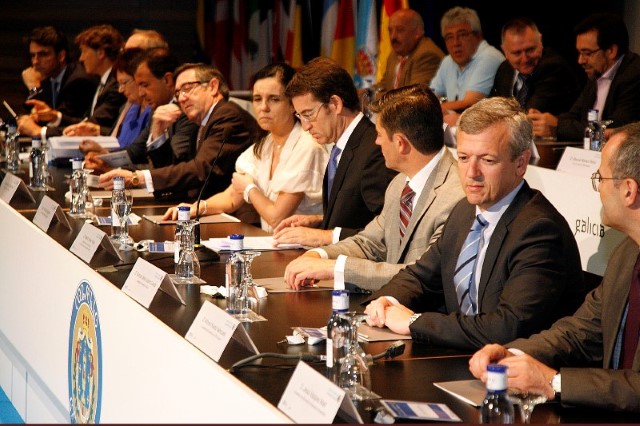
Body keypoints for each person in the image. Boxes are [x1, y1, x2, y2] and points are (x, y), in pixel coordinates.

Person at [363, 97, 585, 351]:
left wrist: (413, 321)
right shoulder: (465, 211)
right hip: (459, 358)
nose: (471, 173)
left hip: (512, 374)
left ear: (521, 163)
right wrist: (387, 301)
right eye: (464, 157)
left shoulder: (540, 231)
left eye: (487, 160)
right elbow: (420, 276)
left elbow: (507, 327)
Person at [469, 122, 640, 412]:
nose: (597, 189)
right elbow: (580, 331)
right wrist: (511, 353)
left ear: (628, 190)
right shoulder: (626, 253)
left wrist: (553, 381)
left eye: (600, 178)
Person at [282, 84, 464, 291]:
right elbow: (370, 242)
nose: (375, 142)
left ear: (400, 143)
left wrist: (336, 268)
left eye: (379, 134)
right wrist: (319, 255)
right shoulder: (399, 184)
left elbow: (422, 274)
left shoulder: (456, 196)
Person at [162, 63, 328, 233]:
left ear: (292, 104)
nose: (263, 108)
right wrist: (195, 208)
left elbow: (277, 217)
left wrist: (249, 188)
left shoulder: (307, 147)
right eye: (257, 99)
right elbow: (232, 198)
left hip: (306, 247)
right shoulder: (264, 145)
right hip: (277, 244)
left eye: (274, 99)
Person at [272, 57, 397, 247]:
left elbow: (389, 232)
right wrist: (319, 221)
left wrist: (324, 236)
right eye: (300, 116)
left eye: (308, 114)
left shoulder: (374, 150)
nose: (305, 126)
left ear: (335, 104)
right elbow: (355, 216)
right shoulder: (342, 145)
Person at [98, 63, 261, 202]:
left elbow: (200, 170)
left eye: (187, 88)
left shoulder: (227, 116)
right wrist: (158, 133)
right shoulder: (201, 120)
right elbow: (177, 170)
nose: (181, 98)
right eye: (177, 93)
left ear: (213, 86)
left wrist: (137, 178)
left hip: (233, 216)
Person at [83, 47, 198, 173]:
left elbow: (175, 166)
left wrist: (117, 170)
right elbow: (135, 151)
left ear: (167, 80)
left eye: (145, 85)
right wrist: (103, 159)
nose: (141, 93)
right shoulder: (157, 109)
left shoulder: (185, 112)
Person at [528, 12, 640, 141]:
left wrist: (557, 126)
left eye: (587, 53)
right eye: (579, 53)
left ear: (611, 51)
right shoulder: (597, 73)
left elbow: (617, 127)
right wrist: (543, 121)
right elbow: (574, 115)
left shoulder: (634, 75)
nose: (580, 60)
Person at [18, 24, 126, 138]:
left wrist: (40, 132)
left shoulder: (115, 85)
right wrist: (55, 117)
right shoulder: (104, 82)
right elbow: (84, 122)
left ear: (100, 53)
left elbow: (90, 126)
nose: (81, 58)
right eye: (33, 55)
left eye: (84, 52)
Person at [429, 7, 504, 127]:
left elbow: (469, 103)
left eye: (462, 35)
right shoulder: (448, 61)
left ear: (478, 36)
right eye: (449, 37)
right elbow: (430, 95)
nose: (456, 43)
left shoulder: (490, 56)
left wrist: (433, 108)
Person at [490, 17, 580, 115]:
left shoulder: (553, 67)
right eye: (517, 53)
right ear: (505, 51)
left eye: (530, 50)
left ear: (540, 42)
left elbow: (528, 116)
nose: (525, 59)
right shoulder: (504, 69)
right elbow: (494, 107)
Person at [64, 48, 151, 150]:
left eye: (124, 83)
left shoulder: (154, 110)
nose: (120, 90)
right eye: (119, 84)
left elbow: (136, 155)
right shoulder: (129, 107)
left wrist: (102, 152)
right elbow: (117, 143)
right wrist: (96, 132)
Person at [20, 26, 98, 123]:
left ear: (61, 56)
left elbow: (55, 121)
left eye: (43, 54)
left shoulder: (79, 81)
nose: (35, 61)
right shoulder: (48, 79)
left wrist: (34, 87)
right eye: (33, 55)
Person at [374, 9, 444, 93]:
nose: (393, 37)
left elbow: (412, 96)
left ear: (417, 32)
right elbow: (384, 85)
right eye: (390, 30)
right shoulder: (395, 54)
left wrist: (372, 98)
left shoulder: (427, 55)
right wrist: (364, 93)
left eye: (400, 30)